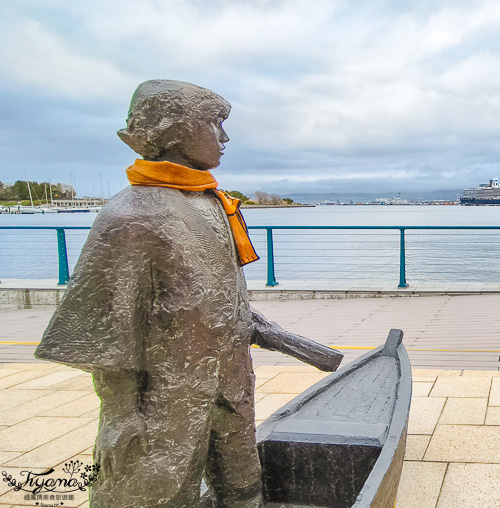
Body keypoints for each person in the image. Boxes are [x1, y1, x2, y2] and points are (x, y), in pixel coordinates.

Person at [35, 80, 343, 507]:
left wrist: (275, 335)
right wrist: (122, 413)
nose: (225, 136)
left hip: (231, 379)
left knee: (241, 478)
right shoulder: (129, 216)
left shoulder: (213, 204)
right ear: (172, 128)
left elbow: (224, 298)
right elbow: (103, 328)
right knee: (156, 484)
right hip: (165, 394)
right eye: (214, 123)